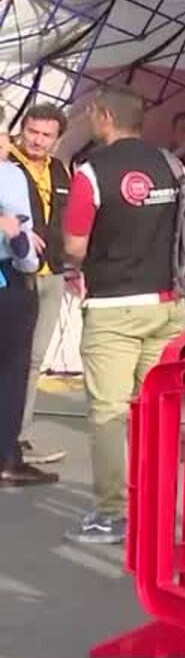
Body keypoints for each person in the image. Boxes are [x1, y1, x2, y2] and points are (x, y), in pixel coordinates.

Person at [62, 85, 185, 545]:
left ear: (106, 117)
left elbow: (75, 246)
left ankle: (112, 513)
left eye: (92, 113)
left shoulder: (91, 172)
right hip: (167, 303)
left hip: (114, 306)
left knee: (109, 414)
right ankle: (157, 507)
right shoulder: (171, 165)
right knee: (154, 411)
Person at [10, 102, 73, 466]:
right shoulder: (7, 164)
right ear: (23, 129)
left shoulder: (60, 169)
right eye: (32, 131)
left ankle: (18, 436)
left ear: (57, 138)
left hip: (53, 273)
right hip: (15, 272)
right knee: (10, 356)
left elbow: (68, 220)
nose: (37, 140)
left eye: (47, 135)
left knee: (34, 359)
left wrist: (76, 265)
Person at [0, 155, 53, 487]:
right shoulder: (9, 174)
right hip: (8, 281)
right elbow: (23, 251)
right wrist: (18, 235)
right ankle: (7, 457)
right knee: (11, 373)